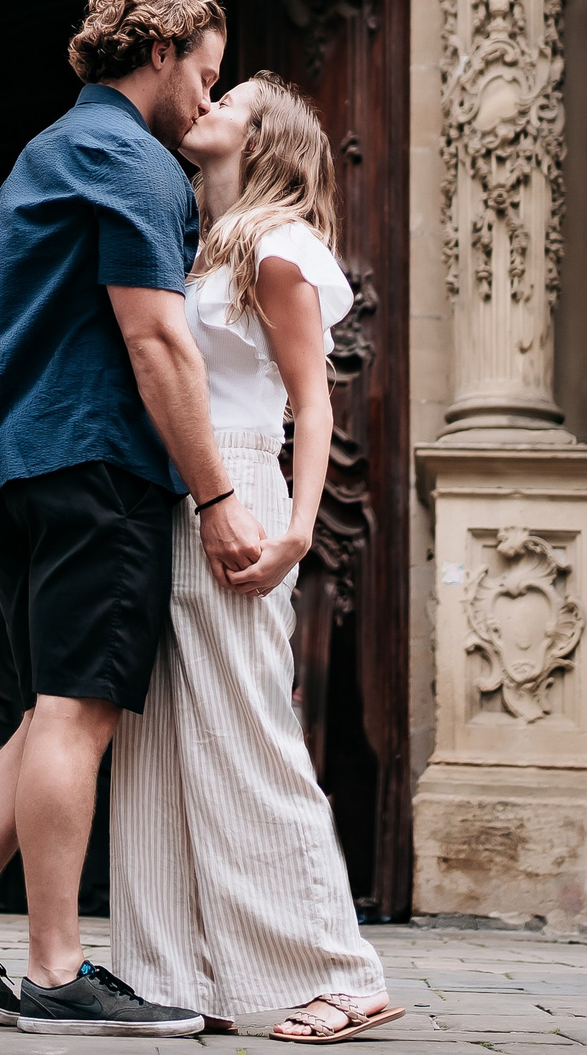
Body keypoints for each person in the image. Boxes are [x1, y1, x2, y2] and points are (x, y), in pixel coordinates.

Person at [0, 0, 263, 1038]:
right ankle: (58, 969)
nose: (206, 100)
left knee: (47, 708)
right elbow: (157, 342)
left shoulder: (46, 152)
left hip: (12, 468)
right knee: (74, 712)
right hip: (94, 464)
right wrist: (219, 496)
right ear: (162, 53)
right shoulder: (130, 161)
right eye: (204, 75)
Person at [108, 75, 406, 1045]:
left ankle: (339, 972)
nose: (203, 101)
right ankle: (168, 973)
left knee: (246, 733)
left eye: (227, 97)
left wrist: (298, 529)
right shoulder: (205, 244)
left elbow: (310, 403)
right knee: (155, 736)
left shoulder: (278, 249)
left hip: (236, 477)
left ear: (264, 134)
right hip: (176, 485)